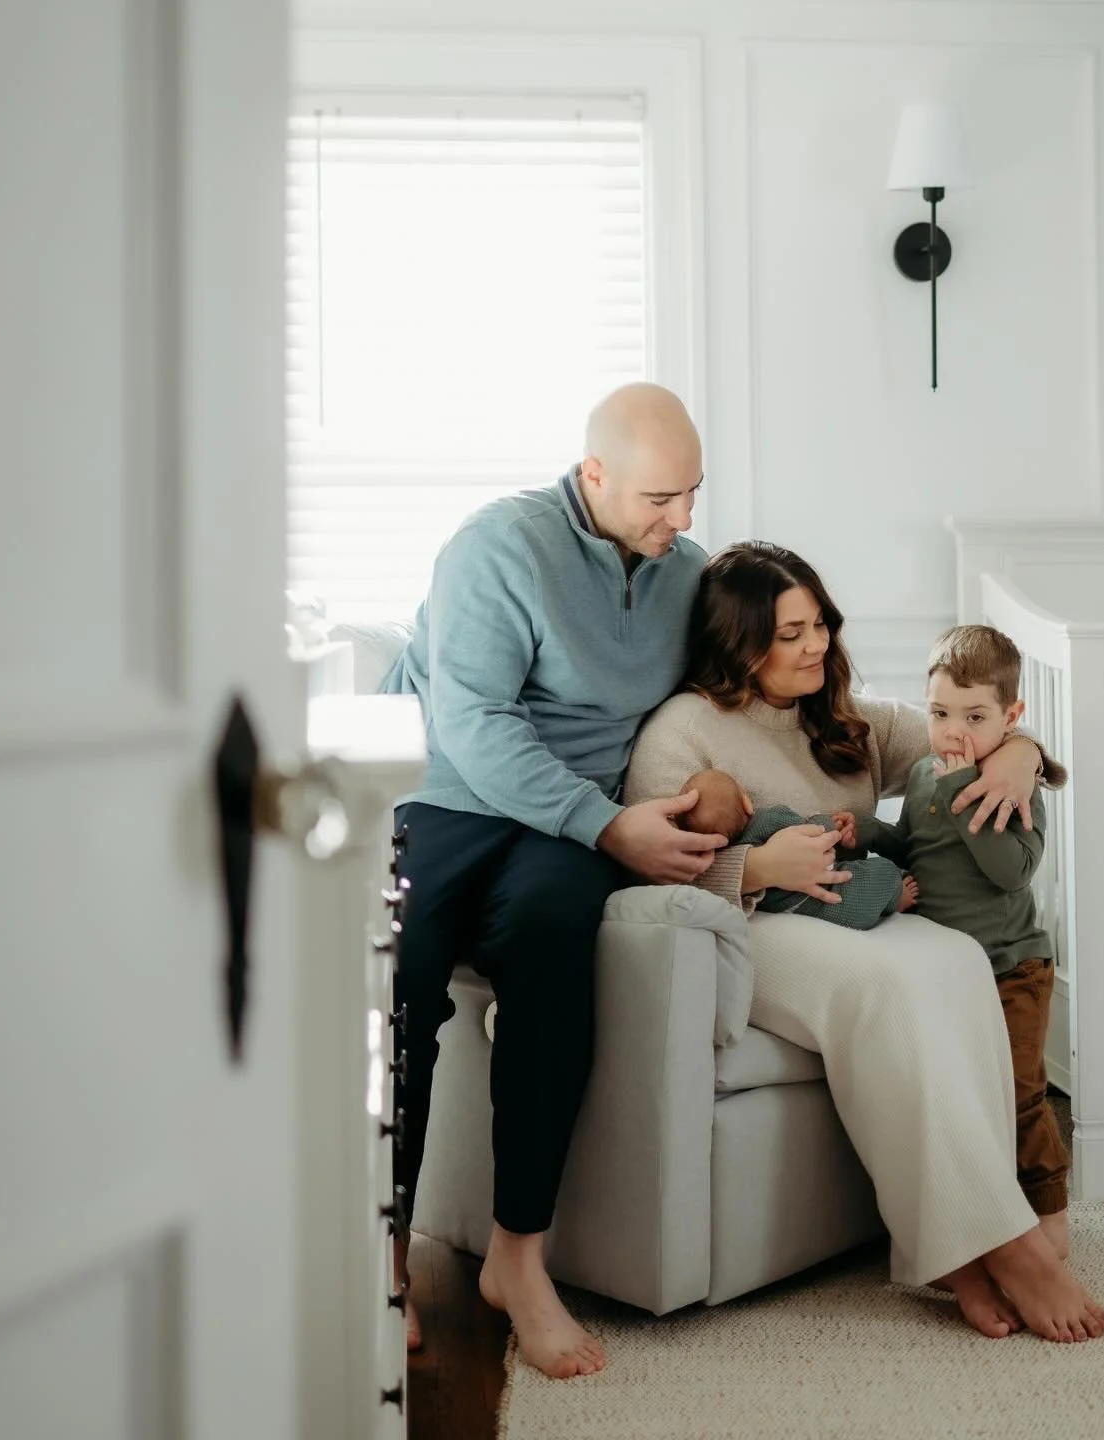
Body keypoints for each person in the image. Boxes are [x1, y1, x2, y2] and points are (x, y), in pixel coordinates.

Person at [624, 542, 1104, 1343]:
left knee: (956, 959)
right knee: (885, 985)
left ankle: (969, 1238)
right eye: (791, 632)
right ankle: (1003, 1244)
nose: (817, 644)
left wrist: (1025, 756)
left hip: (860, 912)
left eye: (820, 623)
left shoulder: (840, 715)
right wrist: (751, 868)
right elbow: (645, 877)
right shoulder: (682, 732)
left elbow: (965, 736)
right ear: (739, 641)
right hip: (752, 929)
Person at [379, 383, 731, 1378]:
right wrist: (607, 824)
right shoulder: (498, 549)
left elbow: (770, 682)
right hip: (443, 793)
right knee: (400, 977)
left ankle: (518, 1260)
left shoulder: (688, 573)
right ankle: (382, 1247)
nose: (685, 520)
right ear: (594, 477)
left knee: (554, 956)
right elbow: (474, 725)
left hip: (560, 826)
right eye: (663, 498)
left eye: (695, 494)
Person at [849, 623, 1072, 1261]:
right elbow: (914, 844)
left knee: (1022, 1093)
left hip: (1010, 968)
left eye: (976, 716)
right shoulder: (924, 775)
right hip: (946, 972)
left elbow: (1012, 870)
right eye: (941, 713)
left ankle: (1050, 1217)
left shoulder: (1010, 784)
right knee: (961, 1098)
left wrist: (960, 789)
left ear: (1012, 716)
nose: (956, 732)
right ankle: (984, 1216)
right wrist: (863, 832)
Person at [678, 768, 915, 925]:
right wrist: (832, 825)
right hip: (837, 892)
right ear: (745, 800)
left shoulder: (729, 850)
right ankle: (898, 896)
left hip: (792, 909)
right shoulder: (771, 819)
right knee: (880, 873)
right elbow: (811, 831)